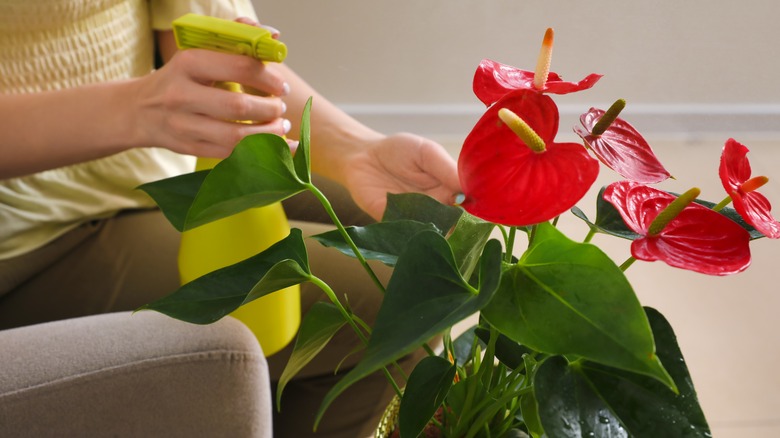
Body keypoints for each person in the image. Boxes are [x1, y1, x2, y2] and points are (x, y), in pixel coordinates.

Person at [0, 1, 460, 437]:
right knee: (401, 295)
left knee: (433, 240)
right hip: (30, 236)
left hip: (158, 163)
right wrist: (137, 109)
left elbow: (207, 43)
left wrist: (357, 152)